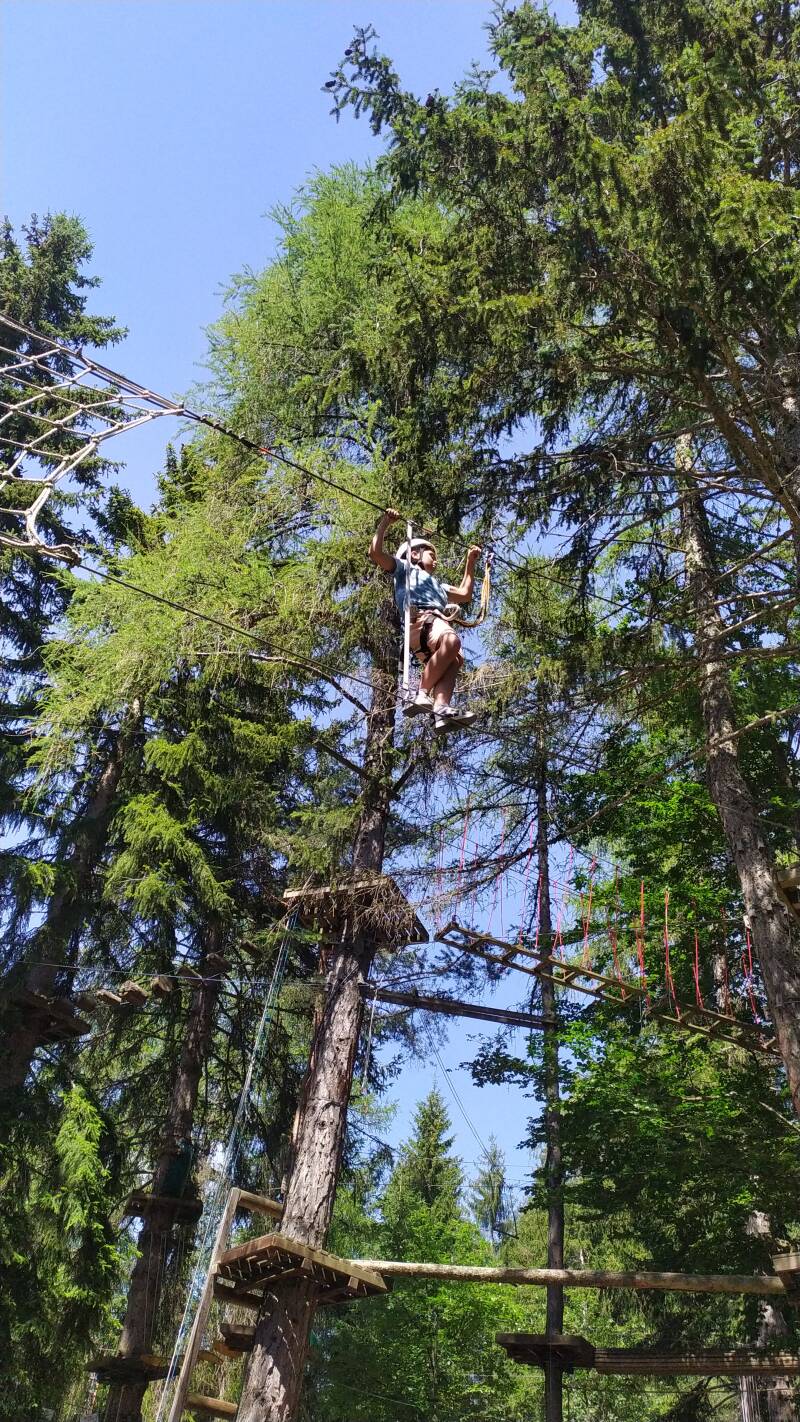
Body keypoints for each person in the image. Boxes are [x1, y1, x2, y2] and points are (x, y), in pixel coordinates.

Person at [369, 507, 481, 732]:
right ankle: (419, 693)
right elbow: (376, 554)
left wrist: (471, 562)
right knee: (451, 642)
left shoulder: (438, 587)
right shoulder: (405, 569)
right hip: (421, 618)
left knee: (455, 660)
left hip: (430, 626)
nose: (436, 561)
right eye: (432, 554)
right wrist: (385, 524)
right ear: (414, 554)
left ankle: (441, 709)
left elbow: (465, 594)